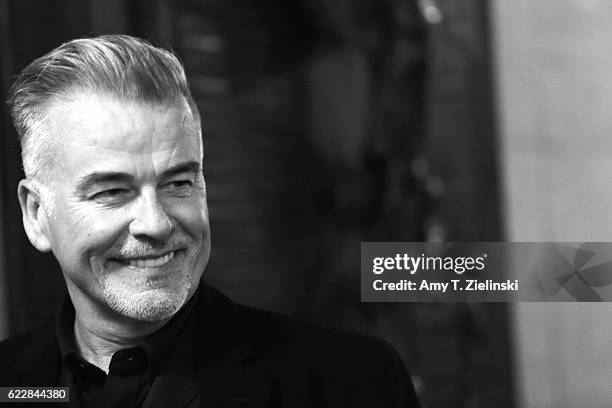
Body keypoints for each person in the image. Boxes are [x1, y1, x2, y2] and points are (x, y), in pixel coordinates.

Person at [0, 34, 420, 407]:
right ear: (36, 215)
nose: (156, 223)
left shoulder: (350, 382)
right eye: (112, 191)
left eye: (179, 182)